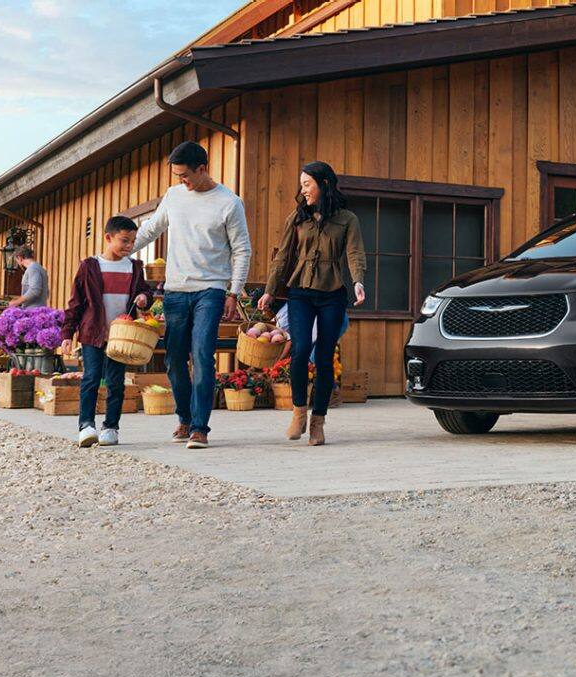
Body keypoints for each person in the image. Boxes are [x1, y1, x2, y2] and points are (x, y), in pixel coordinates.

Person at [133, 141, 251, 449]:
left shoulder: (229, 203)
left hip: (210, 291)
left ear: (202, 169)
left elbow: (242, 250)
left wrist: (233, 292)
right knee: (173, 360)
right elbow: (149, 231)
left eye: (185, 175)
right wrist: (116, 253)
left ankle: (200, 427)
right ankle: (184, 418)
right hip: (174, 291)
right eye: (176, 176)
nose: (181, 182)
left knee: (201, 356)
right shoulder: (174, 197)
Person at [258, 161, 366, 446]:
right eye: (302, 184)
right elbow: (282, 256)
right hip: (300, 292)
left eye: (308, 183)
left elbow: (355, 253)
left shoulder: (347, 219)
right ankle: (298, 412)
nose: (303, 189)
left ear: (324, 184)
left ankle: (318, 421)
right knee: (300, 349)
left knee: (324, 356)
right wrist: (269, 290)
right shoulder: (297, 217)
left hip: (332, 293)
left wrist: (358, 281)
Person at [59, 217, 151, 448]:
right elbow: (75, 303)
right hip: (92, 333)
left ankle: (111, 427)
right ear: (108, 238)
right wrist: (67, 334)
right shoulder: (89, 266)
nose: (129, 246)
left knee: (116, 382)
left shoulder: (134, 267)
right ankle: (86, 426)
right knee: (91, 378)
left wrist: (144, 299)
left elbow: (145, 293)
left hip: (122, 336)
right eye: (124, 240)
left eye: (132, 241)